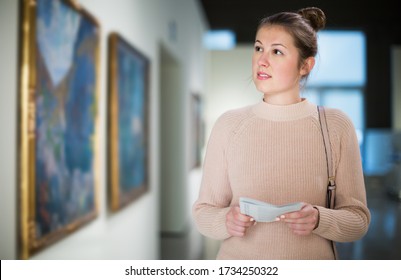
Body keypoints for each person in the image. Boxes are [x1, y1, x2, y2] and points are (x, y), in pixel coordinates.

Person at [192, 7, 370, 259]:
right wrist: (225, 220)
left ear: (305, 66)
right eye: (258, 48)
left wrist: (320, 219)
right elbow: (203, 211)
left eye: (277, 51)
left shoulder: (336, 125)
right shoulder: (228, 125)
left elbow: (358, 220)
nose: (261, 60)